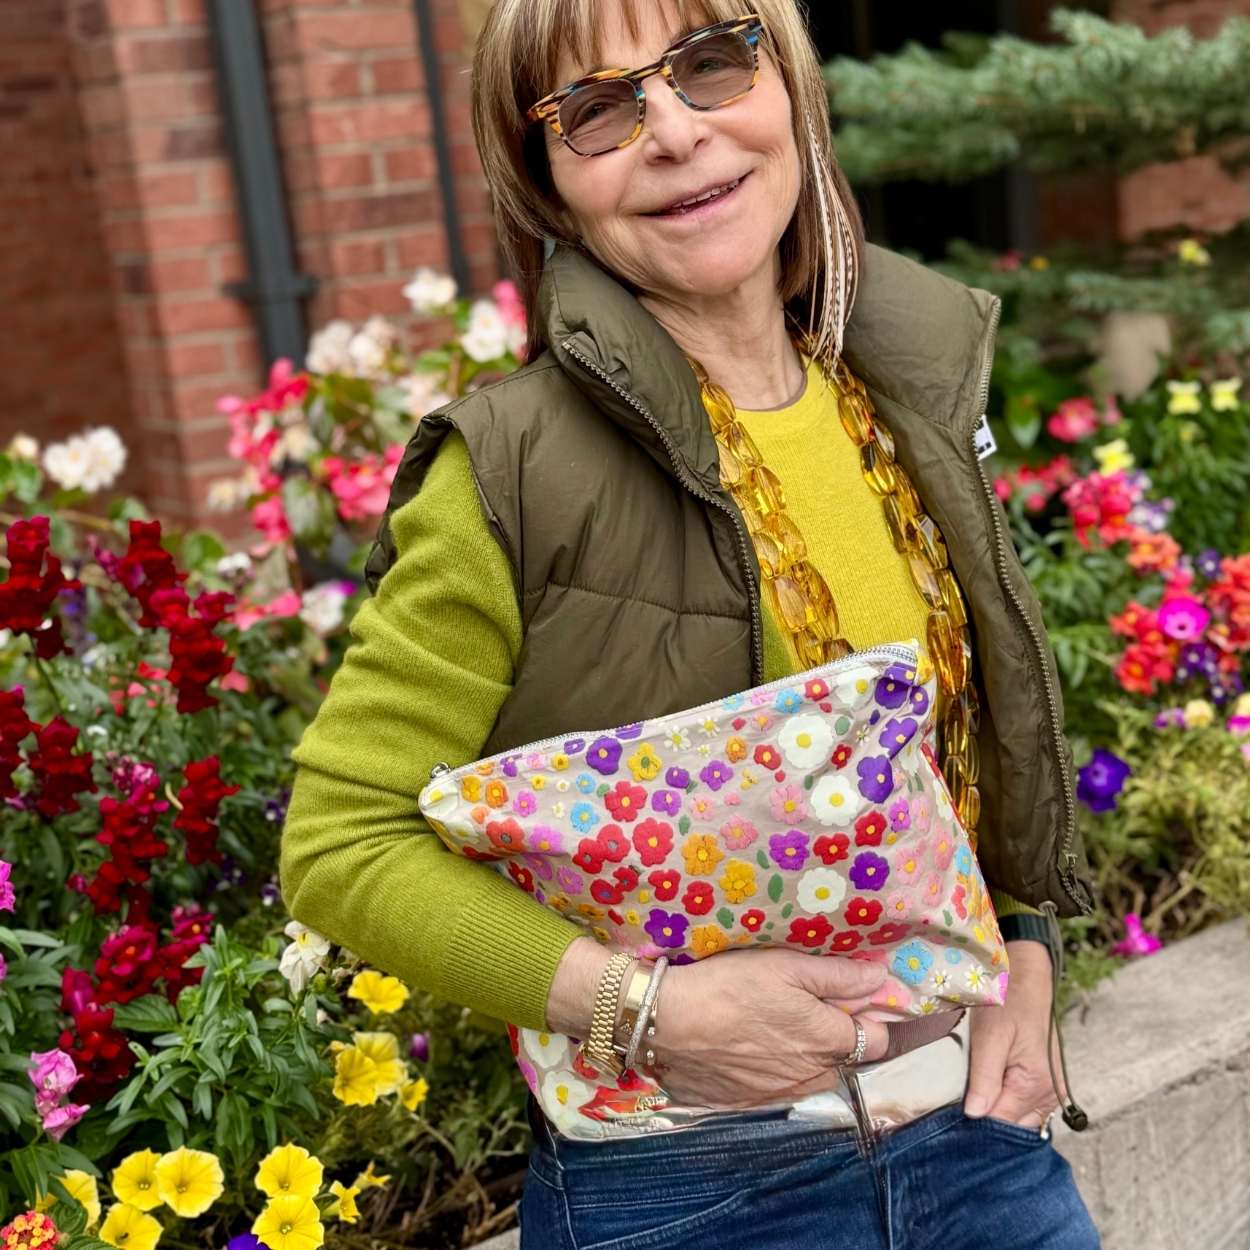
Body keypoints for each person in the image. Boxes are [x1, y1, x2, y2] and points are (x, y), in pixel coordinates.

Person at [280, 2, 1104, 1245]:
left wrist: (1029, 946)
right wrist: (639, 1008)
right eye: (598, 109)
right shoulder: (509, 468)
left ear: (791, 92)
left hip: (982, 1153)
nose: (673, 129)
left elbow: (960, 756)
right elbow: (341, 841)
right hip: (691, 1191)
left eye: (712, 62)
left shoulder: (904, 389)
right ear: (549, 186)